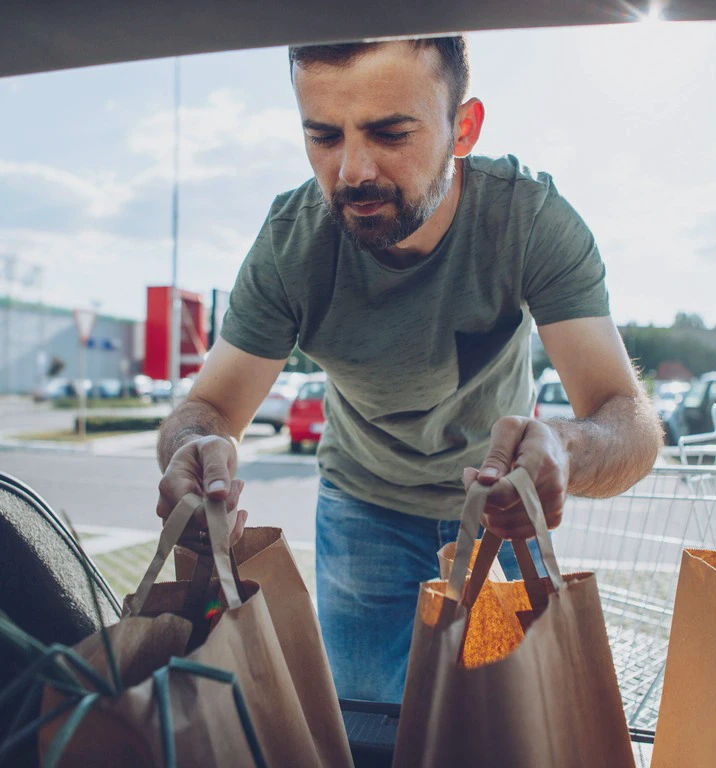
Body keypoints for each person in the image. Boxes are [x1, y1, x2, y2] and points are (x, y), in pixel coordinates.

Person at [156, 36, 662, 703]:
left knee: (509, 722)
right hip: (364, 507)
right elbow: (211, 409)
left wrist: (566, 451)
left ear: (463, 129)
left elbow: (627, 419)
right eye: (324, 137)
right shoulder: (290, 246)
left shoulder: (526, 218)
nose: (353, 171)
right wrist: (194, 449)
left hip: (502, 507)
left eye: (390, 133)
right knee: (370, 726)